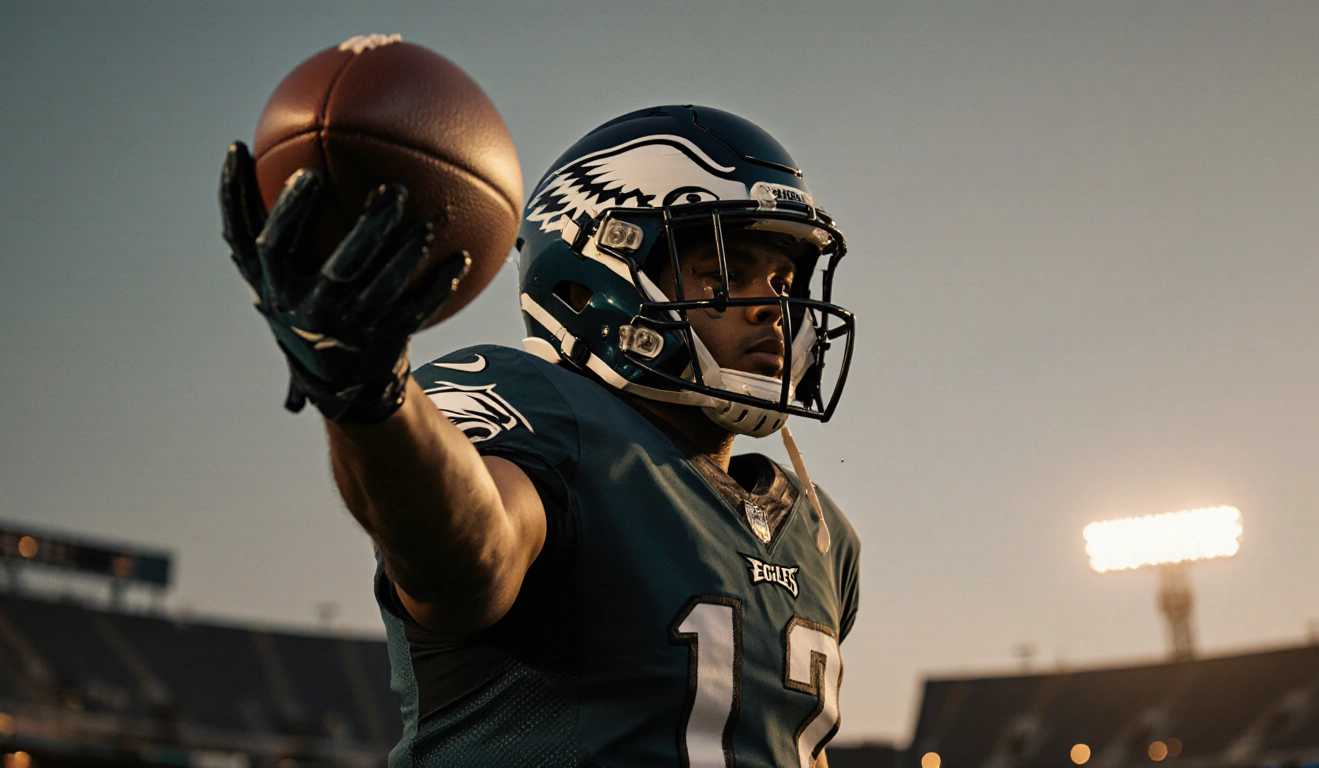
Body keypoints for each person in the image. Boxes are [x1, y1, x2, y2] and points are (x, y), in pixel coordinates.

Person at [220, 105, 860, 767]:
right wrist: (375, 403)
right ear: (598, 278)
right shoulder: (548, 417)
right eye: (722, 269)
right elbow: (468, 563)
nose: (772, 306)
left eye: (783, 281)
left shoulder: (822, 537)